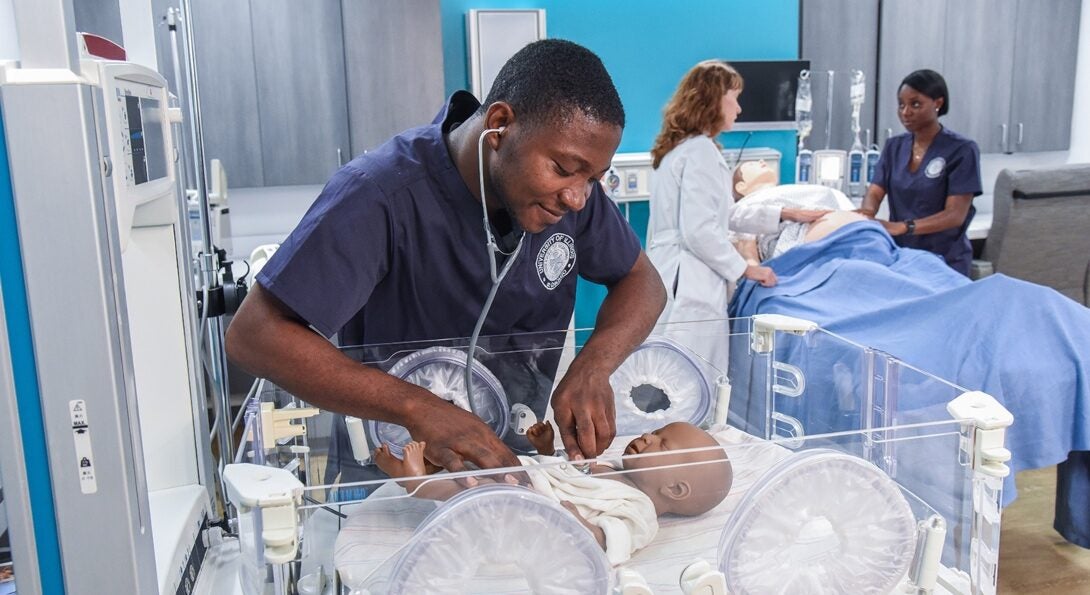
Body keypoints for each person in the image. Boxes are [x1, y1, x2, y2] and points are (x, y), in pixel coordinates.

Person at [225, 40, 667, 485]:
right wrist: (416, 408)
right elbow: (254, 334)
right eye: (562, 169)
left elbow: (641, 281)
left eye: (592, 177)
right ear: (500, 125)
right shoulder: (381, 195)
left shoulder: (571, 199)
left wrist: (594, 365)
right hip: (401, 474)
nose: (576, 196)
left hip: (514, 468)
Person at [645, 61, 825, 370]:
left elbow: (725, 215)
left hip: (671, 276)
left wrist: (786, 212)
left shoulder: (680, 149)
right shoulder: (699, 151)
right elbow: (699, 231)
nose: (739, 109)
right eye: (734, 97)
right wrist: (746, 269)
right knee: (688, 380)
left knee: (668, 378)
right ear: (713, 98)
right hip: (688, 284)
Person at [374, 420, 733, 564]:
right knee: (484, 470)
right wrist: (547, 450)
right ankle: (431, 471)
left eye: (662, 444)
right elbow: (570, 473)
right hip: (533, 481)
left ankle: (419, 485)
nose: (648, 437)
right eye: (655, 430)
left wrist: (581, 525)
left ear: (675, 488)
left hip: (541, 516)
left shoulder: (641, 513)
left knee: (482, 492)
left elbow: (612, 542)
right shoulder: (613, 470)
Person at [858, 69, 983, 277]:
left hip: (944, 260)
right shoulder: (894, 147)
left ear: (938, 103)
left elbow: (955, 215)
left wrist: (904, 227)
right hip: (902, 257)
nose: (905, 112)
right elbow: (875, 191)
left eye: (915, 104)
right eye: (901, 105)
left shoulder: (961, 149)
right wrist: (868, 213)